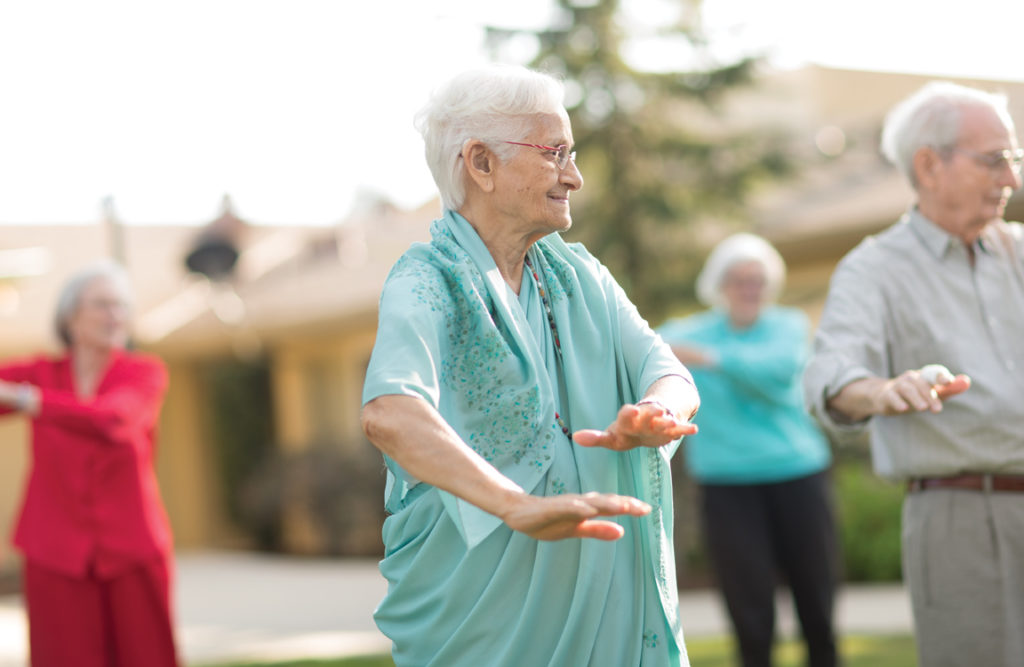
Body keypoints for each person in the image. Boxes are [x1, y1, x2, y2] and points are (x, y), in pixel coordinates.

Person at [360, 64, 701, 667]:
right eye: (555, 153)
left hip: (607, 610)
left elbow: (668, 371)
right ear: (481, 164)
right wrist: (516, 505)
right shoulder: (425, 281)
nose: (575, 176)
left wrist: (657, 411)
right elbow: (391, 412)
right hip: (480, 626)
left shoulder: (581, 276)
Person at [803, 80, 1024, 667]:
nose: (1012, 179)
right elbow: (829, 375)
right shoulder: (873, 269)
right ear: (929, 165)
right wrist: (881, 390)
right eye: (995, 160)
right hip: (964, 518)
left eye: (1014, 159)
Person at [658, 233, 837, 667]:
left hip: (797, 474)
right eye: (738, 280)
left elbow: (775, 375)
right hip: (726, 482)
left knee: (817, 601)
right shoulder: (691, 330)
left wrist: (706, 357)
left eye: (757, 280)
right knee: (748, 608)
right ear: (719, 285)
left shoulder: (787, 326)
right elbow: (647, 343)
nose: (748, 288)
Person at [0, 260, 179, 667]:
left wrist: (29, 401)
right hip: (54, 551)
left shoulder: (143, 373)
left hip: (132, 550)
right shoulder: (40, 372)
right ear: (71, 316)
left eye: (121, 306)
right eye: (102, 304)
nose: (115, 315)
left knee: (146, 658)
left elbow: (113, 420)